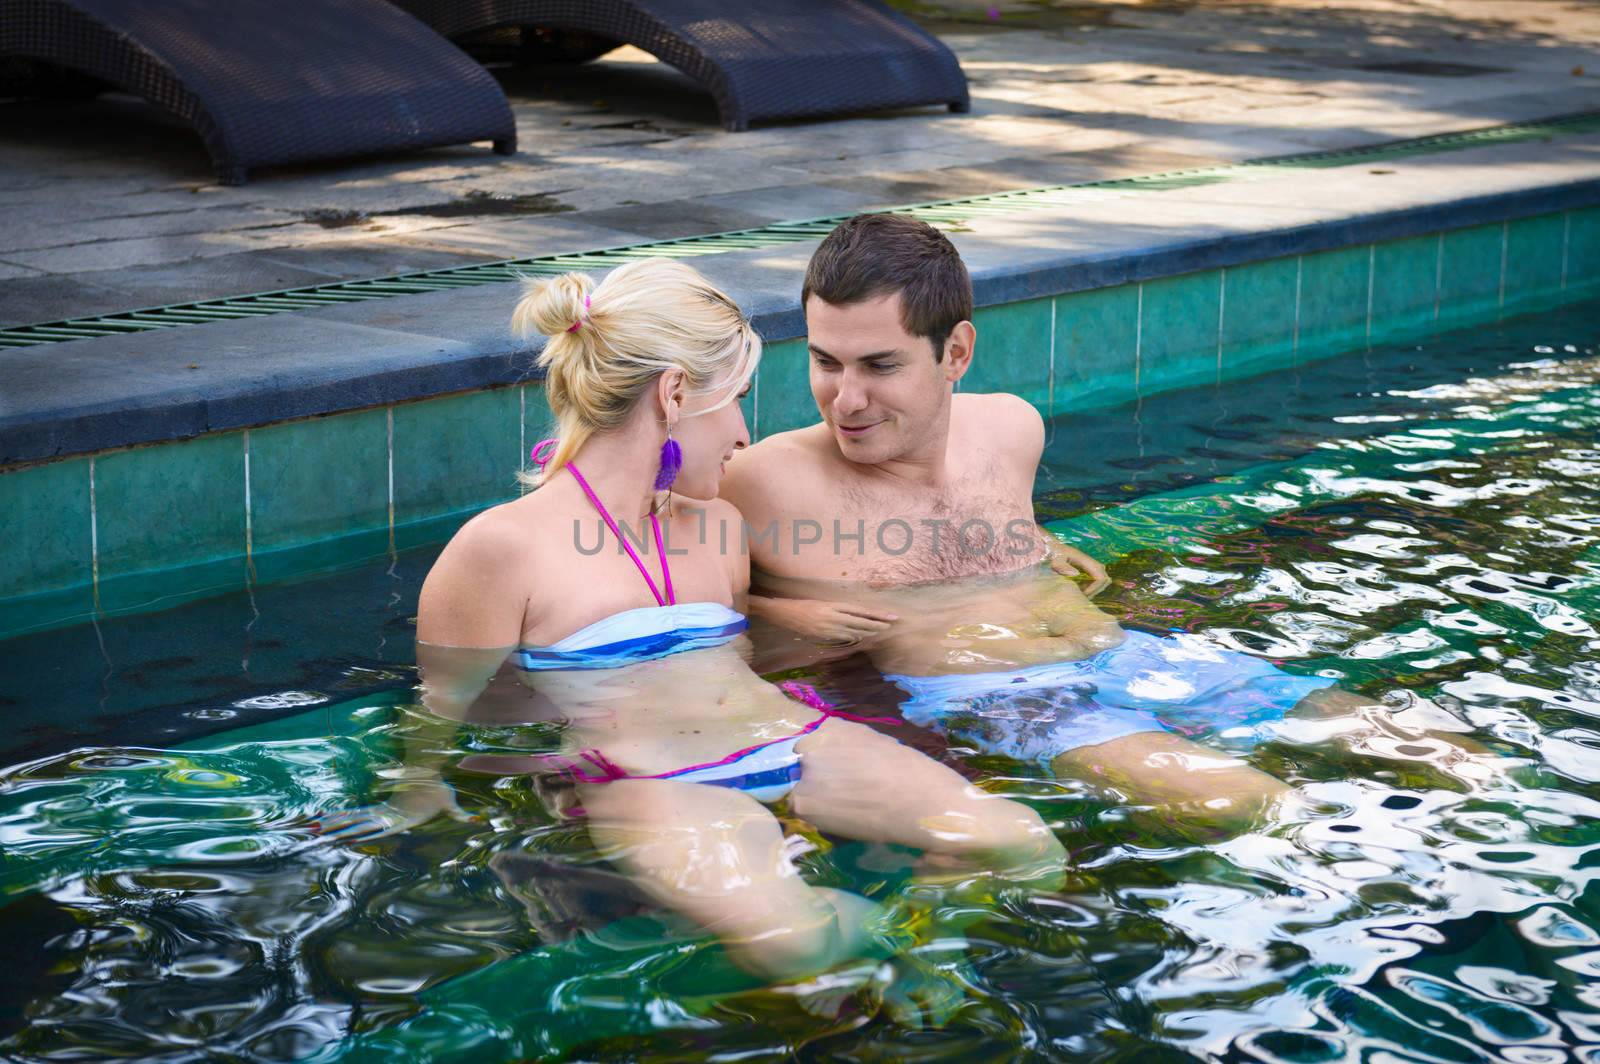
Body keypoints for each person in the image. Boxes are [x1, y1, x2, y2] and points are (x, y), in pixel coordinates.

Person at [386, 257, 1063, 984]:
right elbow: (444, 707)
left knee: (1023, 844)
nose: (745, 435)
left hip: (793, 737)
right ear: (674, 394)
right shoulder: (502, 548)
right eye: (738, 398)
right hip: (652, 782)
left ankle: (904, 950)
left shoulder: (718, 528)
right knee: (792, 941)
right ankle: (877, 956)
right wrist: (418, 789)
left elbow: (733, 656)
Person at [721, 214, 1484, 819]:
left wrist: (1032, 540)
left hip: (1130, 657)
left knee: (1447, 751)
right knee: (1264, 808)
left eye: (879, 365)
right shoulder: (764, 481)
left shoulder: (1012, 428)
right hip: (1009, 700)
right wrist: (785, 608)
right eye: (826, 361)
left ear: (955, 352)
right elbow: (654, 598)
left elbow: (942, 528)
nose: (845, 399)